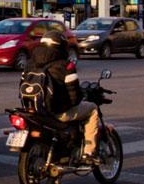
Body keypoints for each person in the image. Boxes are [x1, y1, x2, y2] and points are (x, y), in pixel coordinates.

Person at [27, 29, 101, 163]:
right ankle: (88, 153)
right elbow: (74, 95)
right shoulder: (65, 65)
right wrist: (77, 100)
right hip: (57, 112)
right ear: (61, 46)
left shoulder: (30, 63)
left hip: (34, 109)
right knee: (92, 108)